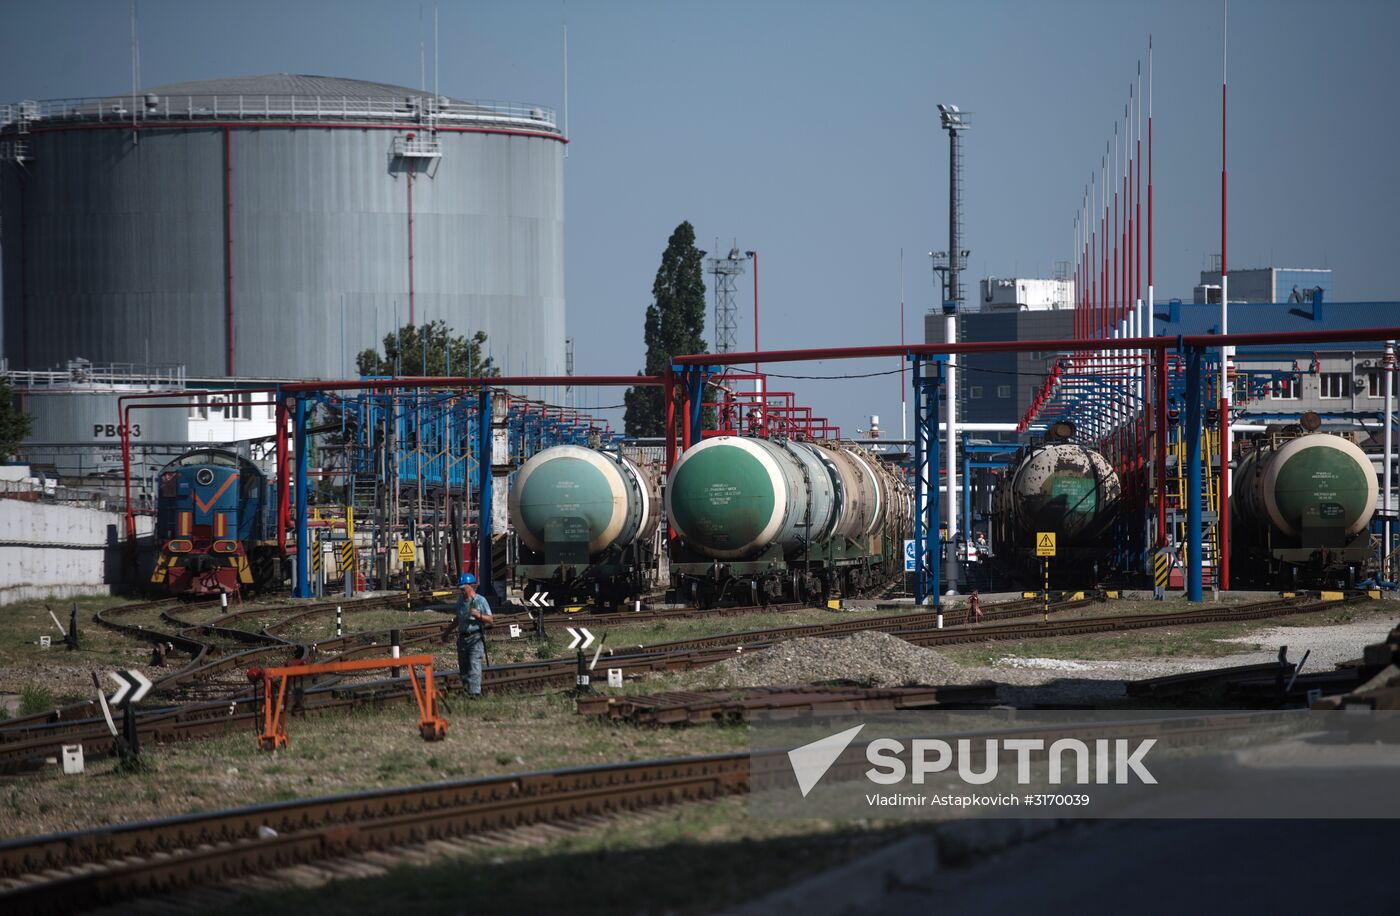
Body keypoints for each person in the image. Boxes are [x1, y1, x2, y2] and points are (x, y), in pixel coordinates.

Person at [441, 572, 493, 698]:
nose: (462, 591)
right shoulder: (460, 601)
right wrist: (447, 632)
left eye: (463, 589)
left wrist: (478, 615)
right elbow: (458, 619)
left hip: (476, 638)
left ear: (470, 586)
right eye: (460, 589)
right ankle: (467, 692)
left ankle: (474, 694)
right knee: (464, 668)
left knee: (474, 666)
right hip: (463, 639)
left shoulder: (480, 601)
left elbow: (490, 619)